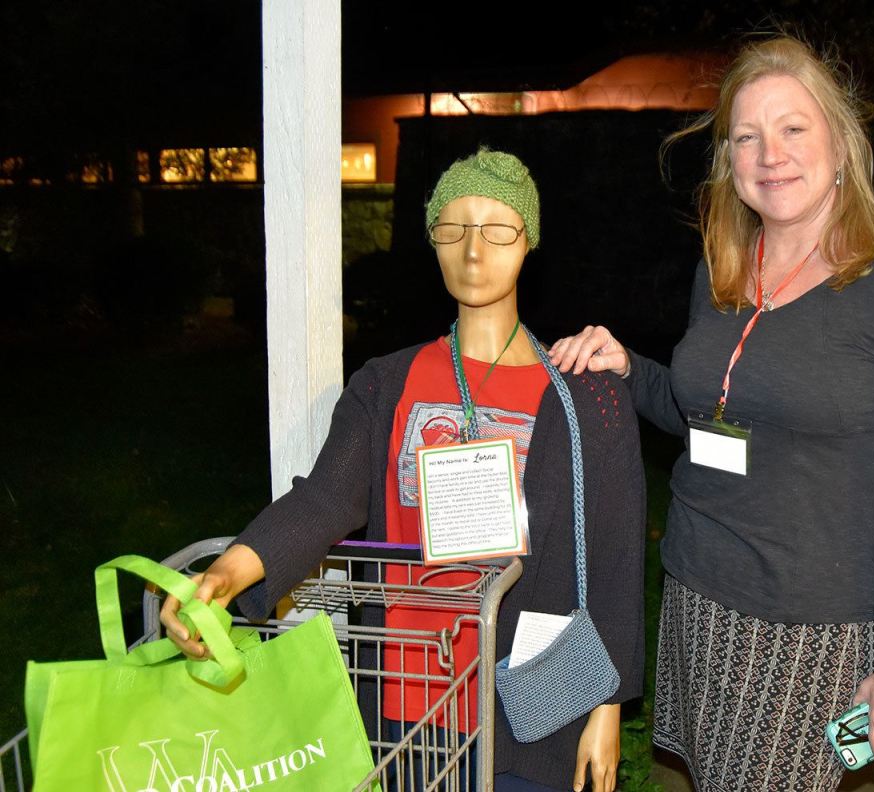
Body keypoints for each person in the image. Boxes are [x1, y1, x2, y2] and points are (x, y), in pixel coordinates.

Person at [548, 35, 874, 792]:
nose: (769, 153)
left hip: (820, 634)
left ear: (840, 142)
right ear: (728, 161)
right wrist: (631, 369)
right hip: (698, 598)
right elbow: (710, 419)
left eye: (793, 128)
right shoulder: (721, 270)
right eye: (746, 136)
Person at [161, 148, 646, 792]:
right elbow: (325, 500)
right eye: (453, 229)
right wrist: (225, 574)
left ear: (528, 240)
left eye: (497, 229)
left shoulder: (585, 394)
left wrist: (605, 705)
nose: (474, 250)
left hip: (532, 705)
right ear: (433, 243)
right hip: (406, 702)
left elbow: (615, 556)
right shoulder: (387, 384)